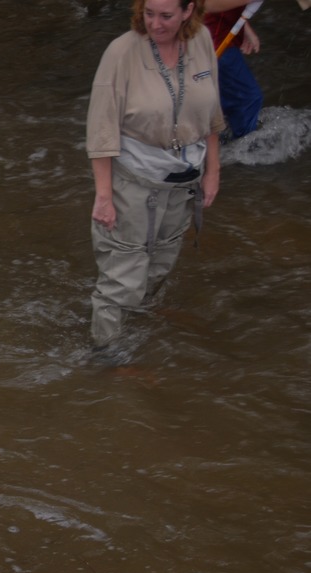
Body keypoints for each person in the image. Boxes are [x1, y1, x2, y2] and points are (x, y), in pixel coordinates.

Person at [86, 0, 226, 351]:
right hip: (133, 185)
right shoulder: (121, 53)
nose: (156, 24)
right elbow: (101, 130)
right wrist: (104, 197)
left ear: (188, 10)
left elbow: (213, 113)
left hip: (183, 184)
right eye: (149, 14)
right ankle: (108, 356)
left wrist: (213, 170)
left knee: (160, 265)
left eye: (166, 15)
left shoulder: (203, 40)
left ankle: (136, 322)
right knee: (121, 277)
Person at [204, 0, 264, 139]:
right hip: (212, 40)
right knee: (247, 98)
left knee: (220, 100)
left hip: (220, 33)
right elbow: (207, 4)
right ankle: (243, 153)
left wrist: (244, 25)